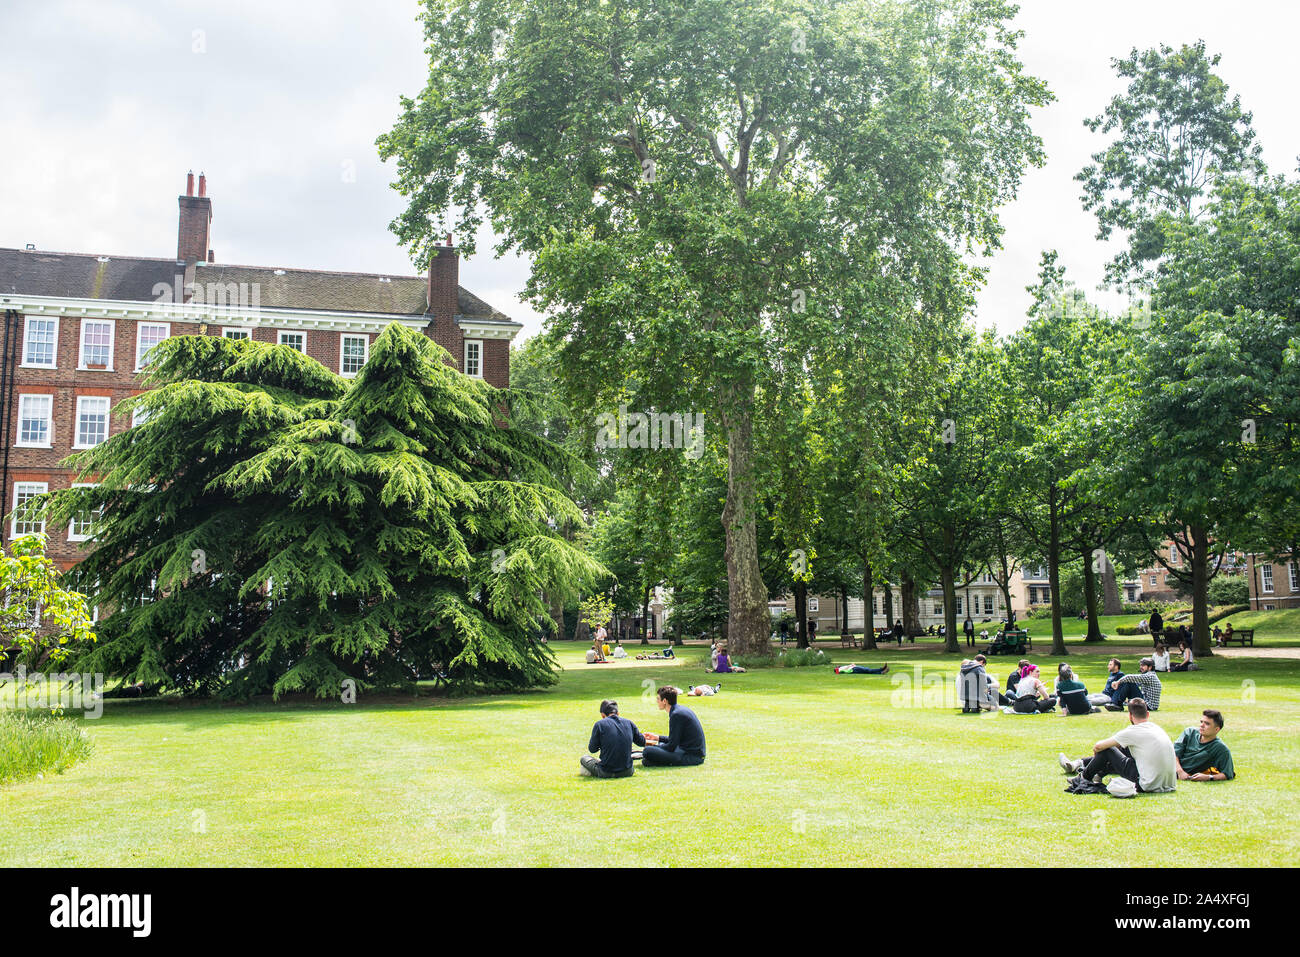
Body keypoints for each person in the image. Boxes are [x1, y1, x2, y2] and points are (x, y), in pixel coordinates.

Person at [1058, 698, 1176, 793]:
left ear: (1130, 715)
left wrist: (1098, 755)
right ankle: (1090, 770)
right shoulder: (1157, 729)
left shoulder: (1133, 731)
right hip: (1169, 784)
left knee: (1108, 749)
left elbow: (1099, 746)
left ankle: (1083, 777)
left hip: (1147, 784)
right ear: (1148, 714)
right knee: (1123, 749)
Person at [642, 686, 706, 767]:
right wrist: (657, 738)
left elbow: (671, 746)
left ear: (664, 701)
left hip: (690, 756)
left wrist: (655, 746)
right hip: (690, 751)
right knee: (651, 754)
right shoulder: (679, 710)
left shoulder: (676, 715)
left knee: (647, 751)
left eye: (658, 699)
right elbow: (675, 740)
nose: (657, 701)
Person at [580, 699, 644, 778]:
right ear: (618, 713)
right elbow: (642, 742)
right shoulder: (629, 723)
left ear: (603, 715)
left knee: (584, 758)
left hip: (606, 772)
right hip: (627, 771)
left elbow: (592, 749)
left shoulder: (599, 724)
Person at [1173, 710, 1235, 781]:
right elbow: (1173, 754)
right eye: (1201, 722)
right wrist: (1180, 772)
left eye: (1207, 724)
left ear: (1216, 729)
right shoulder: (1189, 732)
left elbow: (1228, 774)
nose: (1201, 725)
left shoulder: (1220, 748)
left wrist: (1208, 777)